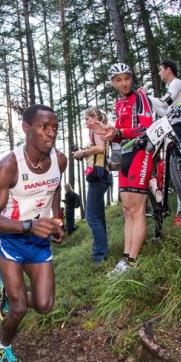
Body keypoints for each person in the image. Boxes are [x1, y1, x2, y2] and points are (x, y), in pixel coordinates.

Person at [0, 104, 66, 362]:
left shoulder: (59, 160)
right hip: (11, 242)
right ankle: (4, 347)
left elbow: (54, 190)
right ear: (27, 128)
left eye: (55, 127)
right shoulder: (10, 165)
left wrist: (56, 222)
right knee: (20, 307)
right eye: (44, 127)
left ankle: (10, 296)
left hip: (39, 243)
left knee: (44, 305)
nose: (51, 133)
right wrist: (29, 226)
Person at [87, 63, 155, 275]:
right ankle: (125, 259)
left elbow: (146, 127)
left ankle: (133, 261)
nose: (124, 83)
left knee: (137, 209)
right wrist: (106, 132)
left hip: (141, 152)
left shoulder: (140, 98)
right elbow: (118, 134)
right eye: (119, 80)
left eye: (127, 78)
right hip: (125, 156)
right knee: (127, 210)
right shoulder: (119, 104)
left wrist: (118, 131)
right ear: (113, 83)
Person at [141, 59, 181, 226]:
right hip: (173, 129)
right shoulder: (172, 87)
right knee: (177, 171)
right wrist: (148, 99)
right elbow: (163, 111)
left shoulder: (176, 83)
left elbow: (163, 102)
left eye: (161, 70)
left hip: (180, 129)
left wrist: (146, 96)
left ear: (168, 69)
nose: (160, 73)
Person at [73, 107, 112, 266]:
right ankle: (101, 250)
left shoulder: (98, 128)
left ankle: (100, 255)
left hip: (98, 175)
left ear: (96, 117)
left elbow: (100, 148)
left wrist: (83, 152)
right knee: (99, 216)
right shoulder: (100, 130)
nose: (87, 121)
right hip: (102, 175)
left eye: (89, 118)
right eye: (85, 119)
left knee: (91, 217)